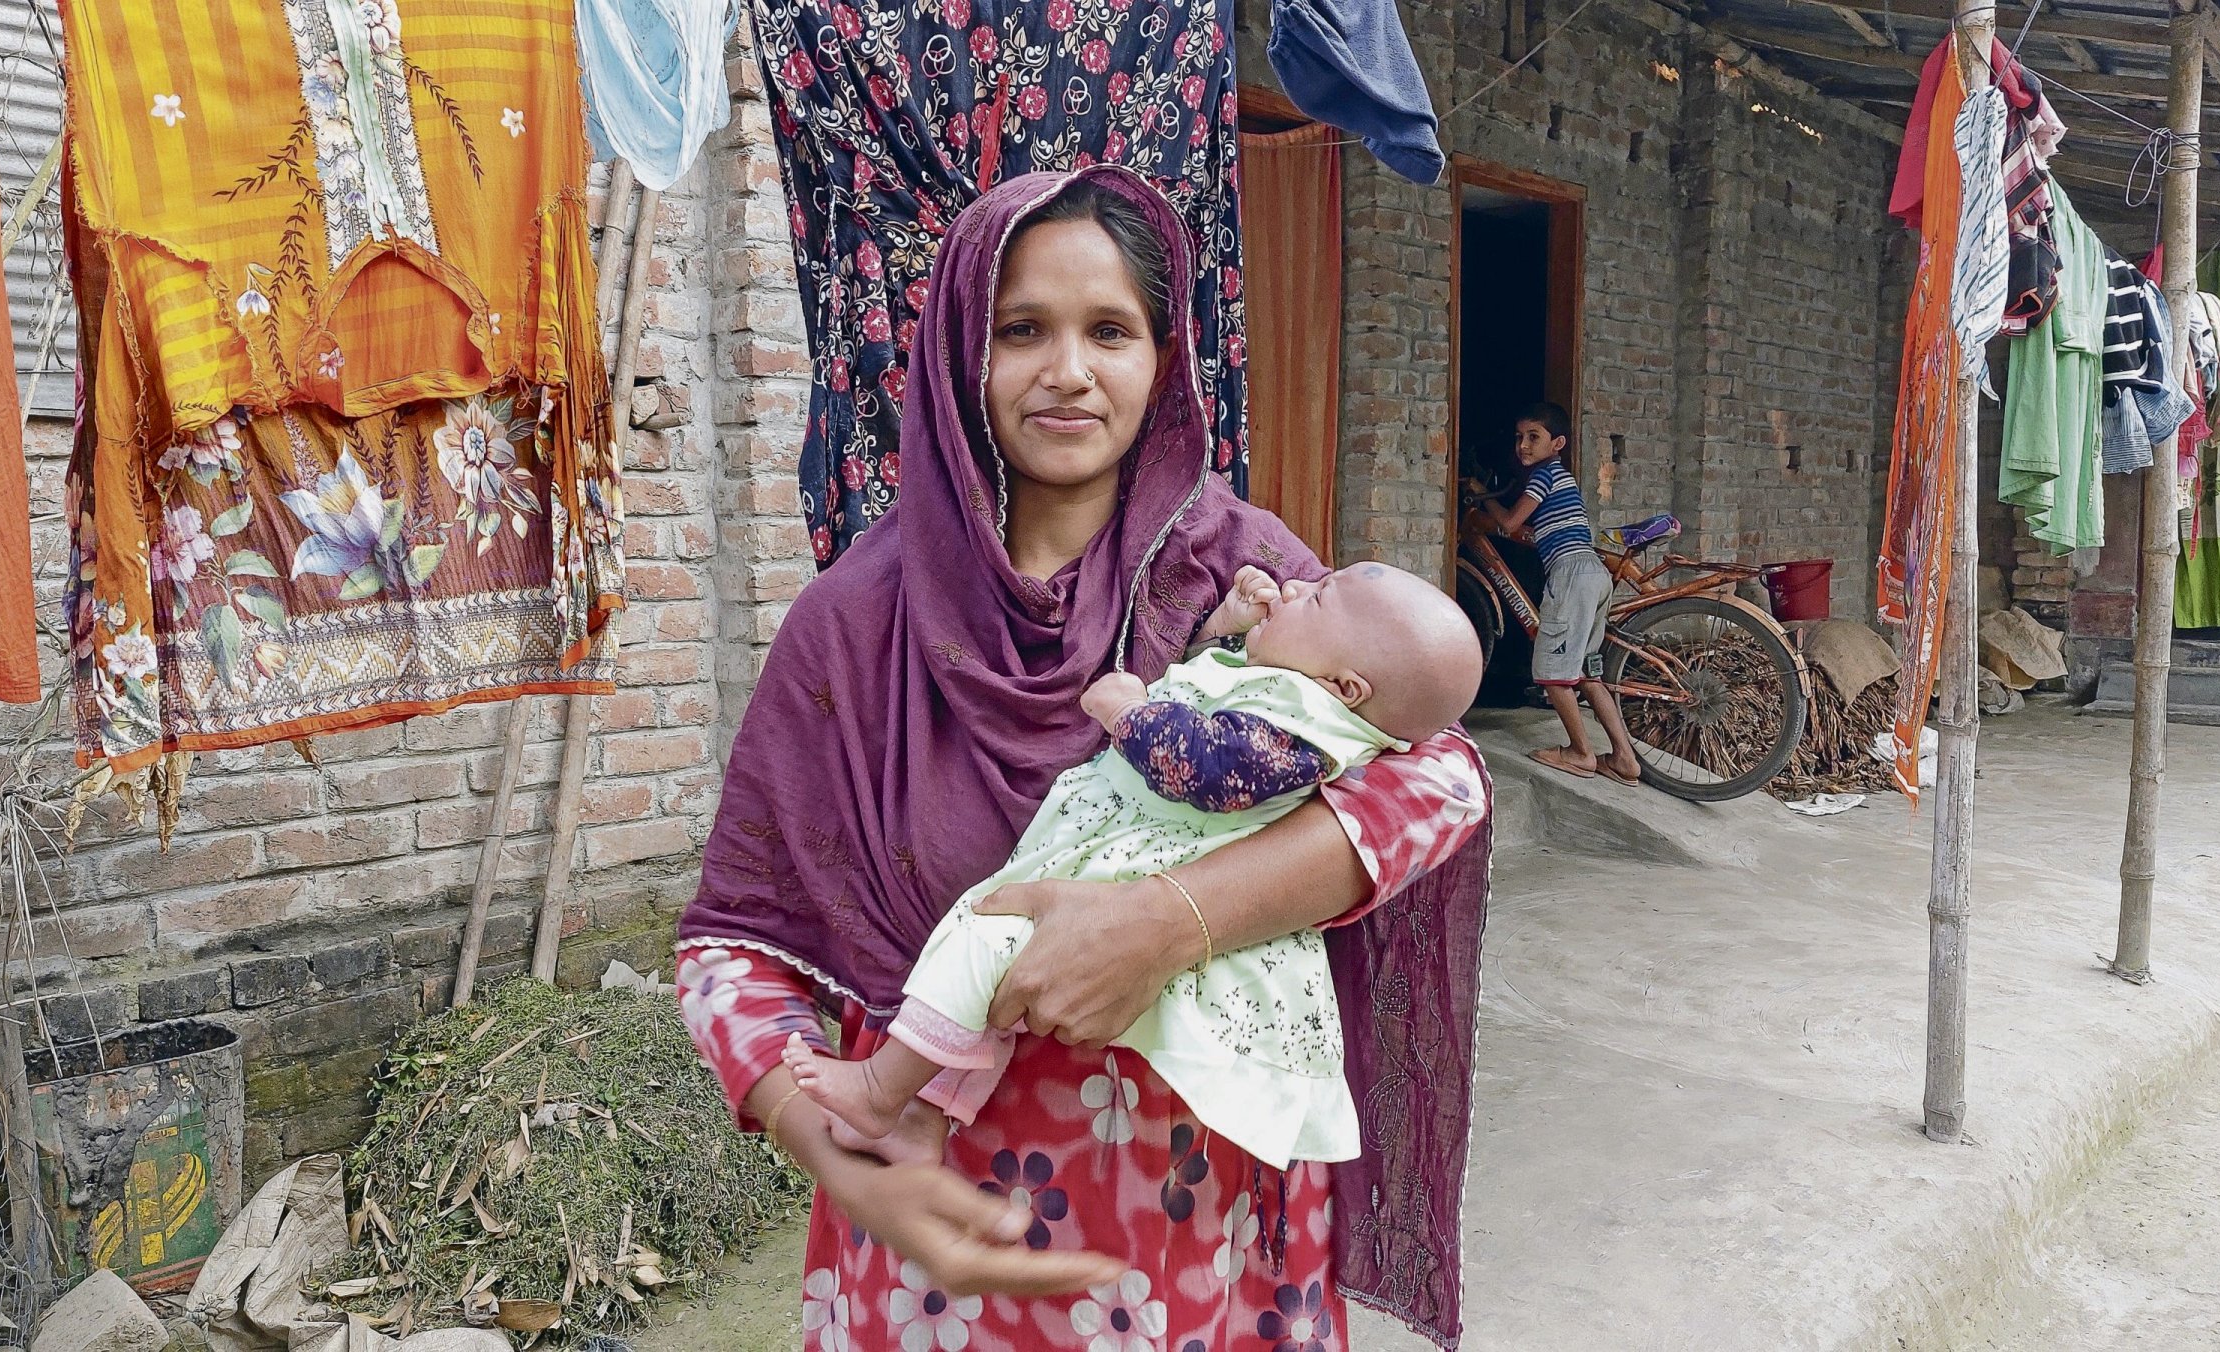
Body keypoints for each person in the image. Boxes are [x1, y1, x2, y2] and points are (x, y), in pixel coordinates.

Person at [675, 165, 1494, 1351]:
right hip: (940, 1254)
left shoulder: (1245, 579)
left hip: (1210, 1243)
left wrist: (1174, 918)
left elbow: (1443, 775)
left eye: (1109, 329)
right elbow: (729, 947)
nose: (1067, 370)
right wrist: (839, 1156)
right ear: (965, 353)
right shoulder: (857, 625)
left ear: (1165, 356)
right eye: (1022, 330)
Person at [780, 560, 1484, 1173]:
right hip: (1095, 871)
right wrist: (1226, 627)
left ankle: (881, 1092)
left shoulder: (1313, 721)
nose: (1294, 583)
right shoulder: (1299, 683)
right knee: (988, 981)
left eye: (1318, 596)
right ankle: (922, 1120)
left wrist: (1129, 715)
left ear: (1349, 687)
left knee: (981, 938)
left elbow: (1210, 766)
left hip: (1130, 888)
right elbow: (1211, 689)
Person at [1482, 402, 1643, 786]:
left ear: (1557, 443)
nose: (1523, 445)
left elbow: (1509, 522)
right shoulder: (1561, 477)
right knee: (1587, 672)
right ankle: (1624, 760)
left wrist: (1481, 496)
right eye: (1519, 437)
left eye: (1533, 437)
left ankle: (1581, 754)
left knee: (1553, 676)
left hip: (1570, 575)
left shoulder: (1543, 475)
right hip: (1592, 573)